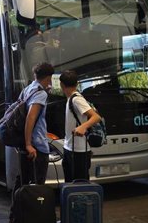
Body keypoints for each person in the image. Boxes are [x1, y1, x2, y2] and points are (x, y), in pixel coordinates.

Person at [14, 62, 54, 191]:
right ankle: (34, 211)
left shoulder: (27, 89)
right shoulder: (40, 94)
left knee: (24, 182)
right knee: (37, 185)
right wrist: (29, 144)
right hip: (36, 146)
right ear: (49, 77)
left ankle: (18, 210)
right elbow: (31, 117)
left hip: (26, 143)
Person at [59, 70, 102, 182]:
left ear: (61, 85)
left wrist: (83, 127)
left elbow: (96, 117)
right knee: (71, 183)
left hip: (79, 151)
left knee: (79, 185)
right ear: (77, 84)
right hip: (70, 147)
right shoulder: (71, 98)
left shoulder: (77, 99)